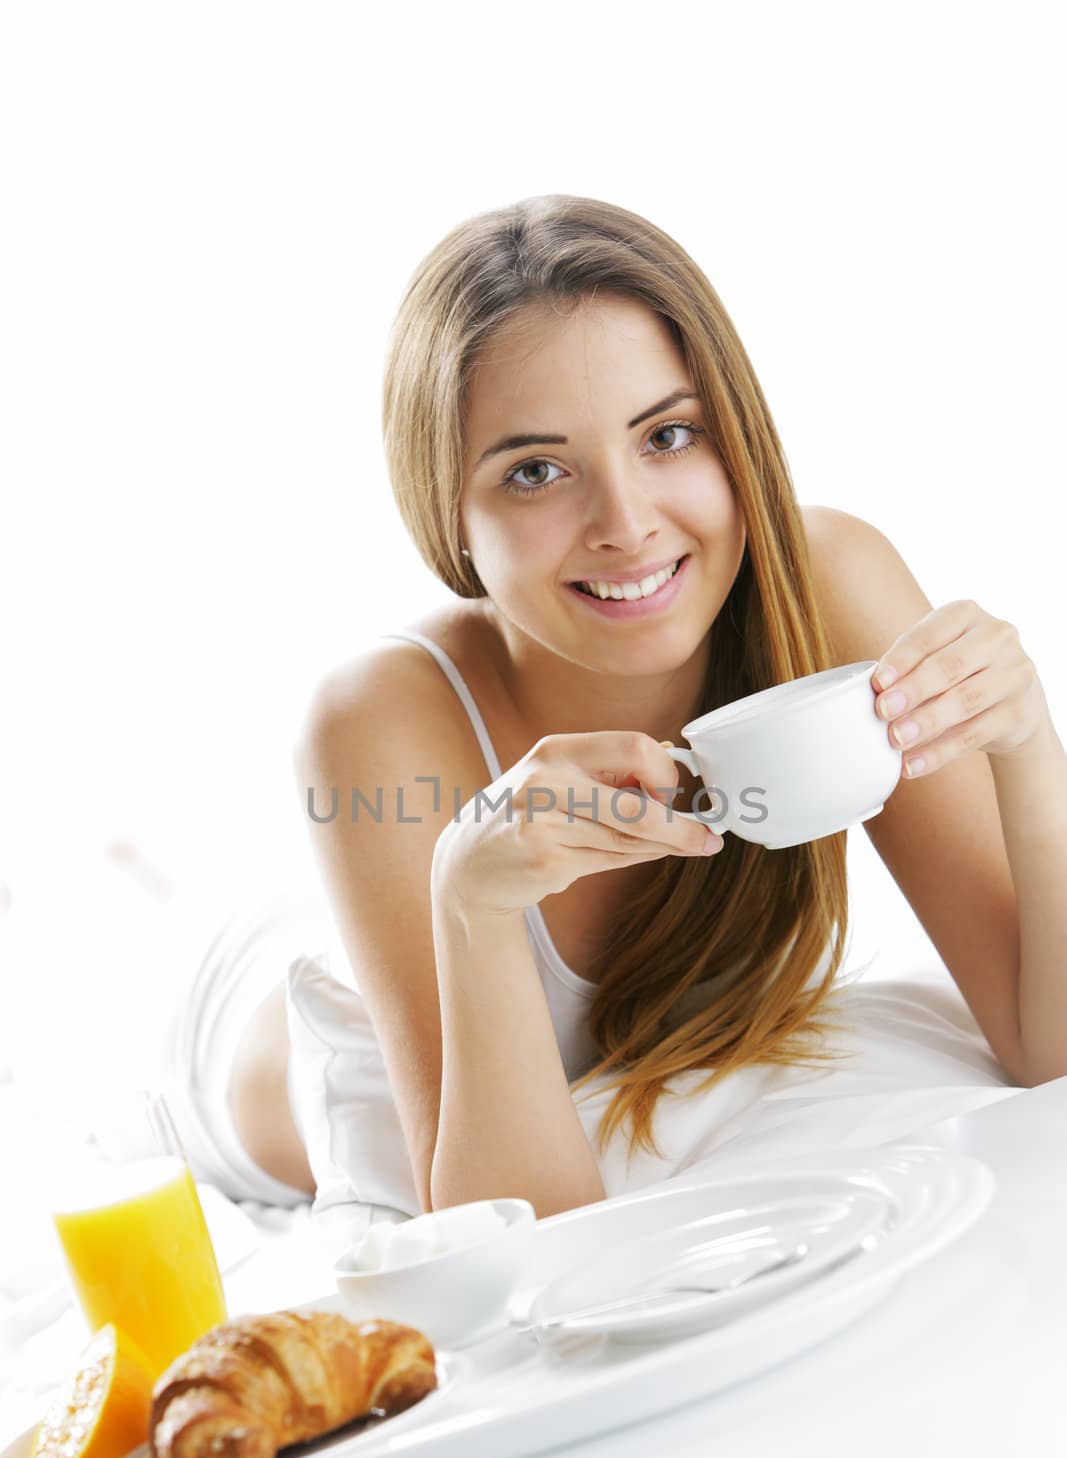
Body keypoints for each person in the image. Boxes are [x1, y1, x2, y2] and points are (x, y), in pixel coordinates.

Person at [188, 193, 1060, 1224]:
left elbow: (1042, 1036)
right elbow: (520, 1231)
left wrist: (1026, 744)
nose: (626, 523)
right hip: (265, 1049)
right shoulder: (374, 719)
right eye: (536, 470)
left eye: (668, 435)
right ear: (449, 514)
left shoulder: (825, 583)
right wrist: (469, 906)